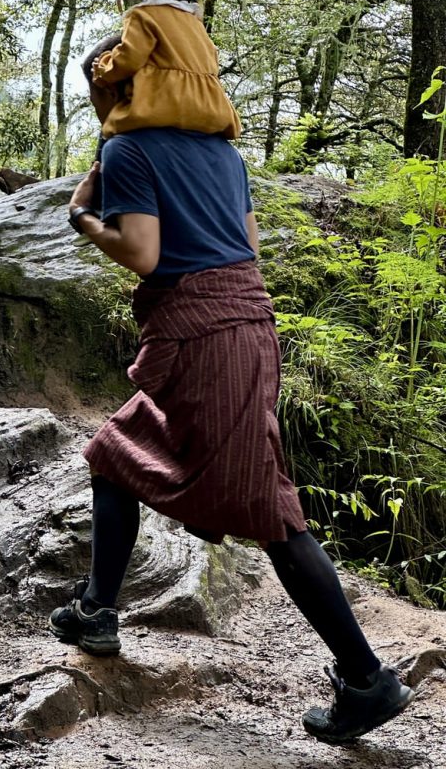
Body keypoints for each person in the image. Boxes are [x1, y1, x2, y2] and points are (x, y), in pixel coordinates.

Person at [49, 42, 414, 745]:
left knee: (270, 512)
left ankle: (367, 679)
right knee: (114, 453)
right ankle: (97, 610)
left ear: (119, 89)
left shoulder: (129, 151)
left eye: (98, 90)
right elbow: (244, 243)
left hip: (204, 343)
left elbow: (143, 254)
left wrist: (82, 216)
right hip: (243, 330)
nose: (98, 104)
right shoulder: (223, 154)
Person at [91, 0, 240, 141]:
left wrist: (104, 67)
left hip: (162, 106)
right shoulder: (194, 23)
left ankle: (102, 162)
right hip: (209, 110)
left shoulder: (143, 14)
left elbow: (129, 59)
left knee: (113, 137)